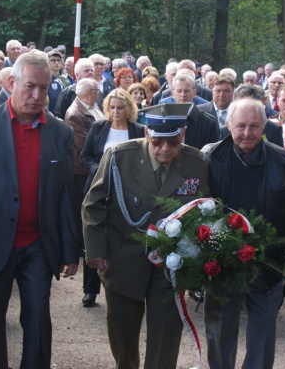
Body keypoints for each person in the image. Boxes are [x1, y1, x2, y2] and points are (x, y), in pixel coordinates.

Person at [82, 103, 210, 369]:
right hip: (123, 259)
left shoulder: (196, 162)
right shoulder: (120, 156)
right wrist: (96, 251)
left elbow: (205, 210)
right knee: (123, 336)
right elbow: (93, 204)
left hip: (171, 267)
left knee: (165, 339)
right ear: (146, 132)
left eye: (173, 143)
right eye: (158, 142)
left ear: (183, 135)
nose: (165, 149)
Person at [0, 52, 79, 368]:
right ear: (11, 83)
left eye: (44, 88)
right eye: (30, 87)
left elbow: (65, 194)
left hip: (37, 243)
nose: (38, 96)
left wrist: (69, 250)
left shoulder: (60, 133)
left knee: (37, 320)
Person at [202, 98, 285, 369]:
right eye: (240, 126)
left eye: (254, 126)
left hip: (269, 261)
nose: (247, 133)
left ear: (265, 125)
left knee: (262, 334)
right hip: (222, 261)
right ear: (228, 125)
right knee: (219, 329)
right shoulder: (209, 157)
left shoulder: (284, 161)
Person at [64, 78, 105, 308]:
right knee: (89, 226)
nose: (99, 94)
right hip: (85, 174)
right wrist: (102, 168)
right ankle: (90, 288)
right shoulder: (75, 113)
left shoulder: (93, 108)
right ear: (90, 92)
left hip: (99, 172)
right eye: (97, 90)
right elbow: (83, 148)